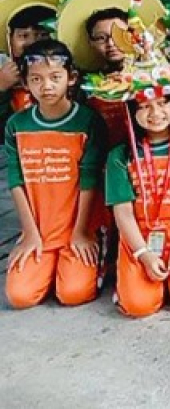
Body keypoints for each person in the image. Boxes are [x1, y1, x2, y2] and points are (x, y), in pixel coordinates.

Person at [90, 9, 170, 317]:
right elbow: (123, 212)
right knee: (138, 306)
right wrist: (144, 254)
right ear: (131, 112)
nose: (155, 114)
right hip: (140, 237)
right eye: (144, 106)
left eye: (162, 104)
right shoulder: (120, 156)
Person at [4, 39, 107, 309]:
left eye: (55, 77)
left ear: (71, 78)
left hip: (77, 226)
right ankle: (48, 266)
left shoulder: (88, 120)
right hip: (40, 228)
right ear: (25, 83)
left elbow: (89, 180)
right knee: (20, 296)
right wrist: (30, 233)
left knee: (74, 293)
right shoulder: (17, 124)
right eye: (36, 79)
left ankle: (87, 261)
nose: (46, 86)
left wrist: (81, 232)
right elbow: (16, 180)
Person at [56, 0, 167, 149]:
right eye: (101, 38)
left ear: (133, 35)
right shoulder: (85, 86)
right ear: (91, 42)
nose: (111, 43)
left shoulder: (158, 72)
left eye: (119, 35)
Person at [0, 0, 60, 126]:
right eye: (23, 35)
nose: (32, 42)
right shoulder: (4, 78)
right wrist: (1, 87)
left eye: (42, 35)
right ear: (10, 41)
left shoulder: (71, 76)